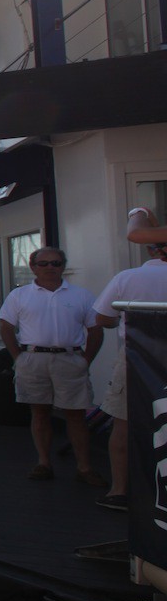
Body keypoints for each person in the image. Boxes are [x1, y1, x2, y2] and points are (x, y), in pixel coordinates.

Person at [0, 246, 104, 486]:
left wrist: (86, 359)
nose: (50, 268)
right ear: (33, 267)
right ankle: (44, 463)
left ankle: (84, 468)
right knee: (40, 412)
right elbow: (6, 327)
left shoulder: (81, 295)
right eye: (43, 263)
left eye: (55, 263)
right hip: (33, 359)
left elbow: (96, 330)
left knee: (76, 415)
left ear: (63, 266)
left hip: (70, 359)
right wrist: (18, 357)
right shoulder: (19, 295)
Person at [92, 209, 167, 510]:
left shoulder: (128, 278)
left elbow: (102, 319)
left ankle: (119, 491)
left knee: (123, 424)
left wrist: (140, 212)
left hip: (138, 358)